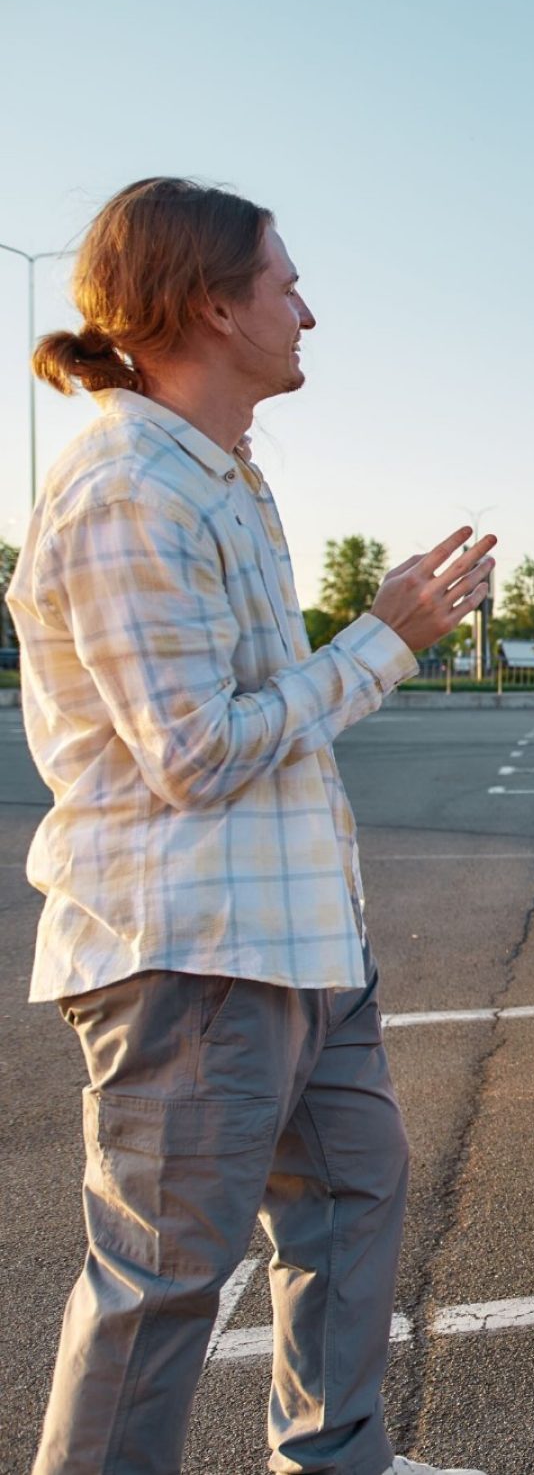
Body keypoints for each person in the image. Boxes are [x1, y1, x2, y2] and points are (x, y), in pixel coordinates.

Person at [13, 177, 491, 1475]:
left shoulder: (224, 475)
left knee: (354, 1194)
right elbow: (193, 749)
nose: (308, 311)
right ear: (215, 305)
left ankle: (334, 1460)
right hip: (191, 960)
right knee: (164, 1284)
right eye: (286, 285)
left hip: (300, 949)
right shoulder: (127, 488)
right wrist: (386, 641)